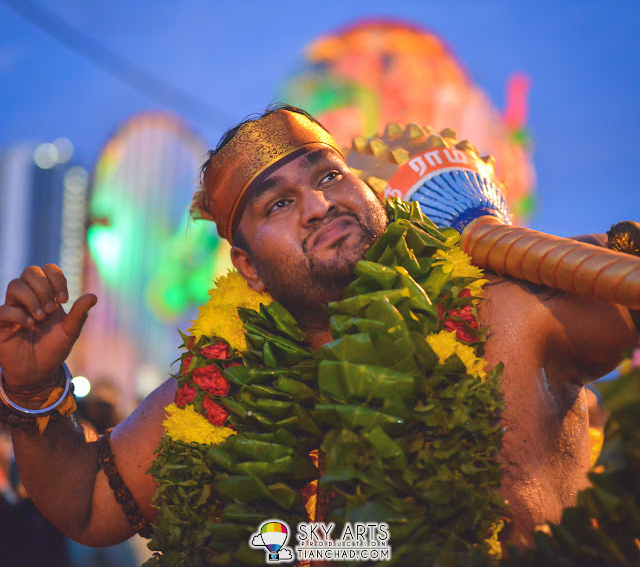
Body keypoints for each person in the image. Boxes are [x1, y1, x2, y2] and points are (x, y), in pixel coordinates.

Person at [0, 105, 637, 552]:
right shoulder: (215, 397)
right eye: (278, 202)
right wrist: (33, 393)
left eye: (328, 174)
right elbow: (87, 503)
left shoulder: (509, 307)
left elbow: (620, 305)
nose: (318, 203)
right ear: (246, 267)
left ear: (370, 191)